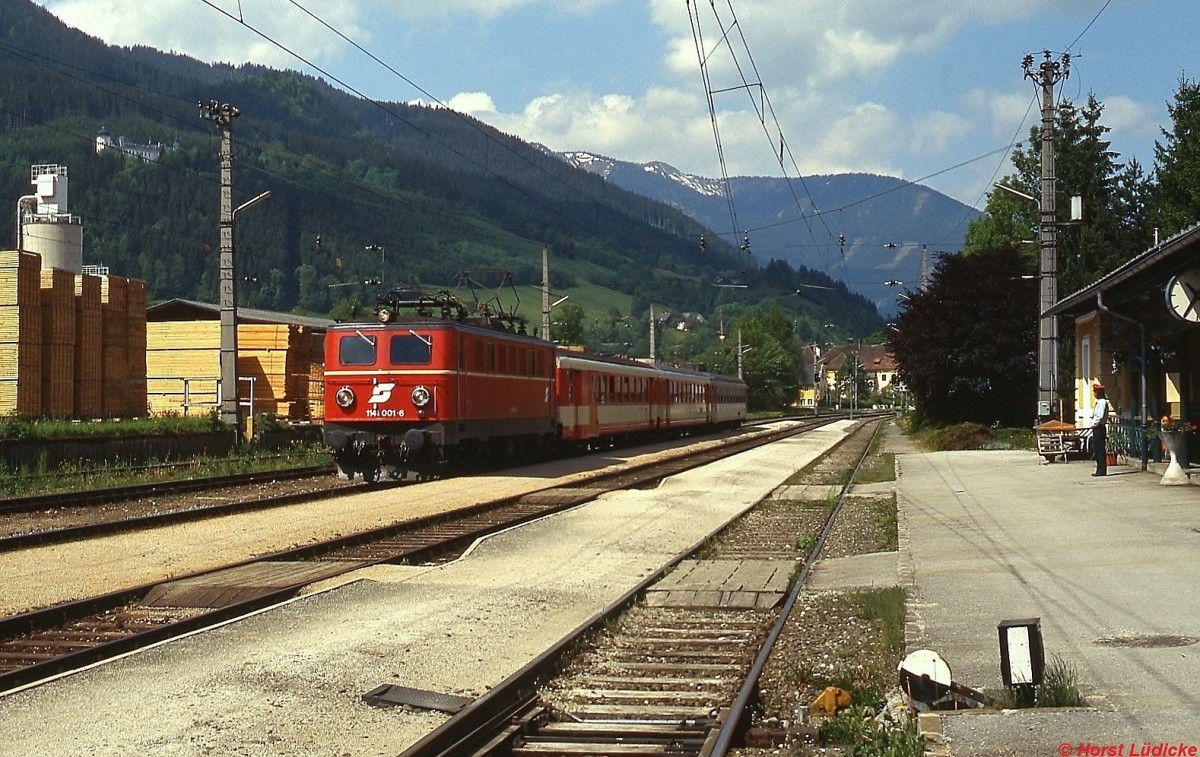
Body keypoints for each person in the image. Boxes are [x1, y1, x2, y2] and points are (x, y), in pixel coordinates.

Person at [1091, 384, 1110, 476]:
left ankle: (1101, 470)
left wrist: (1093, 424)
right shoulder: (1099, 402)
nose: (1094, 394)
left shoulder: (1102, 402)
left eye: (1095, 392)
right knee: (1098, 449)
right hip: (1098, 427)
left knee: (1100, 449)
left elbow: (1099, 416)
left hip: (1099, 427)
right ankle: (1100, 469)